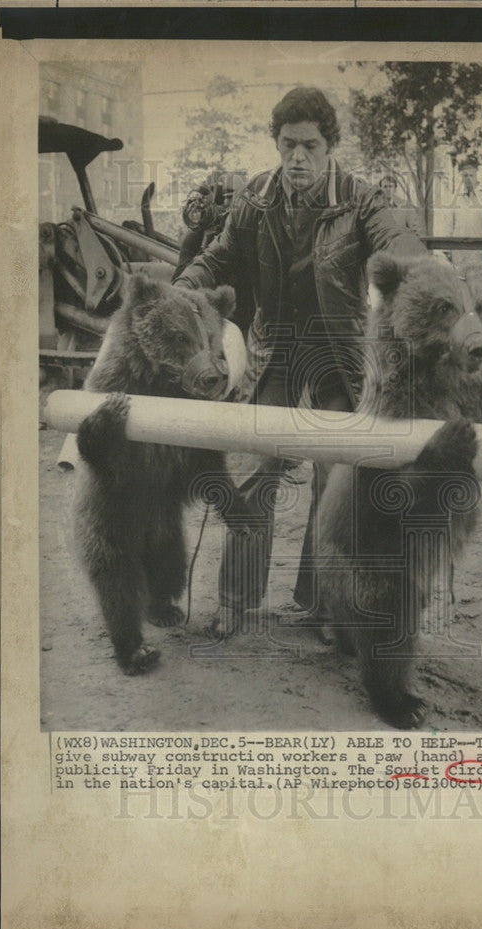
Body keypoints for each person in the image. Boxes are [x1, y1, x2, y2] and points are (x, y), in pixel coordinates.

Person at [173, 86, 425, 636]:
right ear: (276, 144)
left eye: (309, 145)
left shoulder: (360, 199)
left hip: (339, 357)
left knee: (335, 483)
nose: (297, 158)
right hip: (276, 356)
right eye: (287, 145)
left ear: (329, 145)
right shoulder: (255, 198)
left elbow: (399, 243)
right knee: (255, 473)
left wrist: (426, 275)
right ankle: (237, 602)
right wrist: (183, 290)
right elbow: (216, 258)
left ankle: (327, 606)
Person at [173, 170, 247, 281]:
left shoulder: (243, 228)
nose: (202, 203)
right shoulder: (197, 233)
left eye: (229, 197)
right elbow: (180, 274)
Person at [450, 156, 482, 267]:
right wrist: (447, 252)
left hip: (479, 255)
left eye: (471, 175)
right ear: (462, 178)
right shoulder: (453, 200)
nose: (468, 178)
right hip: (458, 254)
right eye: (465, 175)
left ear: (476, 177)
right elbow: (449, 227)